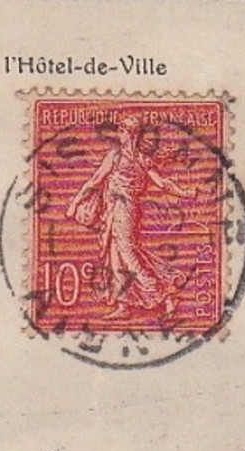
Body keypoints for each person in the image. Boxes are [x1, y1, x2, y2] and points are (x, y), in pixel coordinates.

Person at [64, 112, 200, 314]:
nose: (119, 134)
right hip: (115, 210)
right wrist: (75, 202)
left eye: (122, 130)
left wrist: (186, 193)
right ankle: (123, 305)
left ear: (132, 134)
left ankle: (163, 294)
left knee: (127, 254)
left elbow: (162, 183)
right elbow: (95, 181)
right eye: (119, 130)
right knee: (116, 254)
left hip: (125, 210)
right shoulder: (122, 157)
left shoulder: (129, 158)